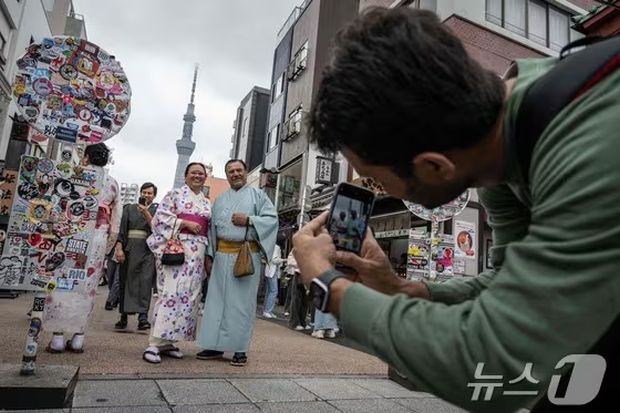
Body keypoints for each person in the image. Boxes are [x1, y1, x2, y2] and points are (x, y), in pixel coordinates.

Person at [292, 7, 619, 412]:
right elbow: (505, 280)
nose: (376, 190)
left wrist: (329, 286)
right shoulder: (500, 151)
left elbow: (494, 361)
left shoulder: (590, 146)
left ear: (433, 166)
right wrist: (401, 289)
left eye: (376, 180)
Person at [196, 159, 277, 366]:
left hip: (246, 254)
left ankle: (240, 350)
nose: (235, 174)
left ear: (246, 172)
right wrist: (209, 255)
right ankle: (214, 346)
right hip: (221, 255)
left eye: (239, 170)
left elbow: (271, 220)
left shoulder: (258, 196)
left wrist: (249, 220)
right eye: (230, 171)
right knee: (217, 303)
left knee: (241, 305)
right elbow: (212, 230)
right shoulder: (220, 200)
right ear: (227, 174)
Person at [44, 143, 121, 353]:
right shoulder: (112, 184)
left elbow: (56, 208)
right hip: (97, 237)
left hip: (69, 235)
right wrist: (107, 247)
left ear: (85, 158)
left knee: (62, 283)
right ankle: (78, 337)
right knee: (87, 287)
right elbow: (116, 221)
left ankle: (57, 338)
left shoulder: (71, 177)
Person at [142, 163, 211, 364]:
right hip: (177, 249)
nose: (197, 176)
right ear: (186, 176)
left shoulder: (206, 203)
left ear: (205, 177)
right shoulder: (174, 194)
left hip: (198, 253)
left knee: (190, 296)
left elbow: (209, 229)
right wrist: (184, 223)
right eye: (193, 173)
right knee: (169, 294)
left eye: (201, 173)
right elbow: (159, 219)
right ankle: (154, 342)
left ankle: (169, 341)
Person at [114, 182, 158, 331]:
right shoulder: (129, 208)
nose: (146, 195)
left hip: (148, 250)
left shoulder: (158, 210)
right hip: (130, 248)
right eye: (144, 192)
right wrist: (119, 248)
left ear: (154, 195)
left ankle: (143, 317)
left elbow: (158, 230)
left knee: (145, 282)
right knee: (126, 280)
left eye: (150, 193)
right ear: (140, 193)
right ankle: (123, 317)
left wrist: (146, 212)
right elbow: (122, 231)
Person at [285, 248, 310, 331]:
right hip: (299, 274)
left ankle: (302, 321)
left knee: (305, 300)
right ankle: (294, 322)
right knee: (296, 299)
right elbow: (290, 259)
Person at [262, 237, 284, 319]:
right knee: (274, 291)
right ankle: (268, 310)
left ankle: (267, 310)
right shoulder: (276, 247)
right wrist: (283, 260)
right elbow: (274, 260)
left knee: (269, 291)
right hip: (272, 271)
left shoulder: (270, 245)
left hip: (269, 271)